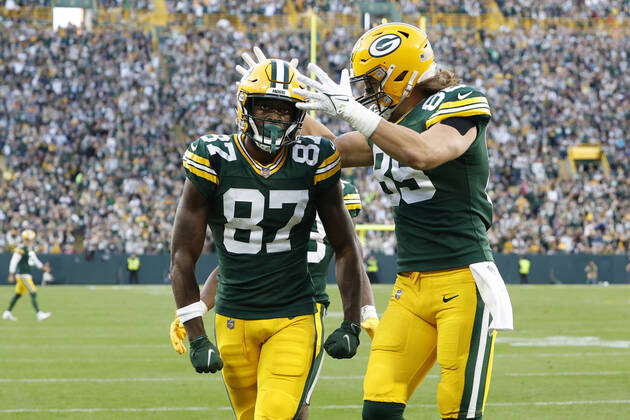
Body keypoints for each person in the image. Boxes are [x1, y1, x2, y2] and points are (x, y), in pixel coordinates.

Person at [294, 22, 514, 420]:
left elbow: (425, 153)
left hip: (463, 280)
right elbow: (331, 151)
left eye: (375, 79)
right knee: (379, 405)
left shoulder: (458, 102)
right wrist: (290, 101)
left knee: (457, 410)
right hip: (409, 286)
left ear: (404, 73)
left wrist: (357, 115)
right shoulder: (389, 129)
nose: (368, 91)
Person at [169, 59, 367, 420]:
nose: (275, 118)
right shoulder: (212, 158)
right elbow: (183, 256)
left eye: (284, 109)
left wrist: (352, 320)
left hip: (293, 315)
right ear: (245, 107)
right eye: (265, 106)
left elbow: (345, 246)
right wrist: (196, 334)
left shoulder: (315, 158)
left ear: (298, 116)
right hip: (233, 318)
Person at [2, 230, 52, 322]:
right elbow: (14, 261)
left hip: (25, 275)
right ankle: (39, 314)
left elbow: (35, 261)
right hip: (23, 275)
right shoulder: (21, 249)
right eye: (31, 239)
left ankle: (7, 313)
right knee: (33, 292)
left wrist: (43, 268)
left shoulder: (29, 249)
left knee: (18, 295)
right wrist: (11, 274)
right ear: (27, 239)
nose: (32, 241)